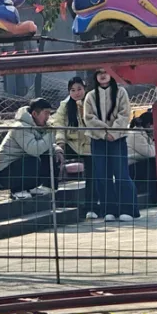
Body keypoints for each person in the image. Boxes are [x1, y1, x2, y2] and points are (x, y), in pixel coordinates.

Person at [83, 69, 139, 221]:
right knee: (102, 176)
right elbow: (89, 118)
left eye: (106, 72)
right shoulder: (90, 95)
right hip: (97, 139)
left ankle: (128, 209)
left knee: (121, 174)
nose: (103, 75)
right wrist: (104, 133)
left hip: (118, 139)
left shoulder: (121, 92)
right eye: (99, 72)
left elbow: (124, 114)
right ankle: (109, 210)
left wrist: (113, 133)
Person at [0, 97, 64, 200]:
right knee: (32, 160)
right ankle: (17, 190)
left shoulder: (38, 126)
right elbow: (34, 150)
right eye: (46, 113)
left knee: (51, 154)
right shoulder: (20, 127)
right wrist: (50, 134)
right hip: (6, 173)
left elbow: (44, 144)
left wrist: (57, 150)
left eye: (49, 114)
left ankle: (47, 186)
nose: (48, 117)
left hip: (20, 167)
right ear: (35, 114)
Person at [50, 76, 95, 217]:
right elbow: (59, 124)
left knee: (93, 175)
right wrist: (60, 143)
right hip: (72, 143)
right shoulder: (64, 106)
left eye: (79, 89)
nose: (76, 93)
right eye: (72, 90)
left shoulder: (92, 102)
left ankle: (91, 207)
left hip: (90, 144)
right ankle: (51, 194)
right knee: (53, 157)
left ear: (85, 89)